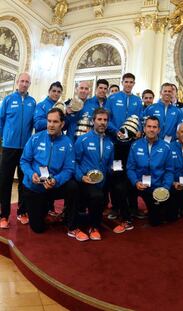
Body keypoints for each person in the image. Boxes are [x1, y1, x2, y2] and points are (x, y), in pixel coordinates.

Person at [19, 108, 83, 238]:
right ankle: (41, 209)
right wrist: (31, 174)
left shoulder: (67, 143)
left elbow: (69, 169)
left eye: (55, 121)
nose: (51, 125)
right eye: (49, 121)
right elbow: (24, 161)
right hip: (34, 187)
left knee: (73, 187)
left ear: (62, 124)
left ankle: (71, 224)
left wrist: (56, 180)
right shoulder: (35, 138)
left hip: (53, 185)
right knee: (38, 228)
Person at [105, 73, 143, 223]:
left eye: (131, 82)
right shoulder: (112, 99)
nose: (128, 84)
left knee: (131, 173)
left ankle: (133, 206)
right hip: (116, 144)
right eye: (126, 82)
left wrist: (139, 130)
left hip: (131, 145)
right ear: (122, 82)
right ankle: (115, 207)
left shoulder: (137, 100)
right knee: (116, 174)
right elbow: (107, 119)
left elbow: (140, 119)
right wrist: (116, 131)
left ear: (134, 84)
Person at [0, 73, 36, 229]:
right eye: (22, 81)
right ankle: (4, 215)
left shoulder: (32, 102)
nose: (24, 84)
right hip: (9, 148)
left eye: (27, 82)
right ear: (17, 82)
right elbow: (1, 121)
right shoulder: (8, 100)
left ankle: (22, 212)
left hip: (25, 150)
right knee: (5, 182)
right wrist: (4, 138)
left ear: (29, 84)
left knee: (24, 182)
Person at [74, 108, 114, 240]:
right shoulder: (82, 140)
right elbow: (74, 162)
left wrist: (114, 169)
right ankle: (94, 227)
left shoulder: (110, 143)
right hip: (86, 181)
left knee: (110, 191)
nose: (102, 122)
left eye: (105, 120)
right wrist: (81, 177)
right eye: (99, 119)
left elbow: (109, 165)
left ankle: (95, 219)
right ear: (93, 121)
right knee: (96, 196)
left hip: (102, 182)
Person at [126, 116, 174, 226]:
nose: (151, 129)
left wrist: (165, 188)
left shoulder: (166, 147)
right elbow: (130, 168)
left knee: (157, 221)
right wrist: (136, 182)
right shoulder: (135, 145)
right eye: (149, 126)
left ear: (159, 130)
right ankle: (129, 212)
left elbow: (169, 171)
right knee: (122, 187)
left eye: (154, 127)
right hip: (139, 184)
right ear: (144, 128)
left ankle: (156, 209)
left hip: (158, 186)